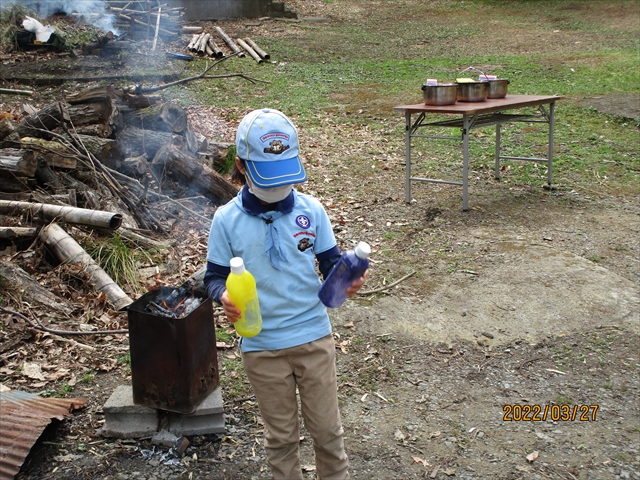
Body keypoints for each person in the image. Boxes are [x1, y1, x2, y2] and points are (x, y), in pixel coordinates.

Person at [204, 108, 367, 480]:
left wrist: (346, 277)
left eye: (285, 177)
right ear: (242, 166)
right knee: (280, 438)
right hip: (261, 346)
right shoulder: (226, 220)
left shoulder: (312, 211)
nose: (280, 188)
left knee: (328, 433)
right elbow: (213, 277)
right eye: (269, 177)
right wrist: (223, 297)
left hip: (313, 337)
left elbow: (329, 264)